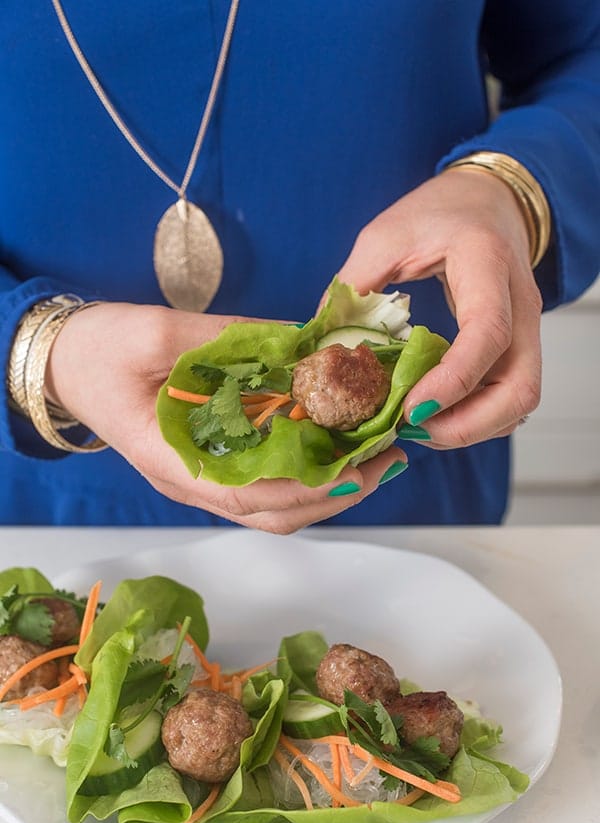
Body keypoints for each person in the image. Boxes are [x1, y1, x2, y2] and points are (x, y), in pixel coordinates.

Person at [1, 1, 599, 533]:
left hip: (409, 475)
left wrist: (509, 185)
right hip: (52, 504)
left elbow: (584, 49)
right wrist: (33, 348)